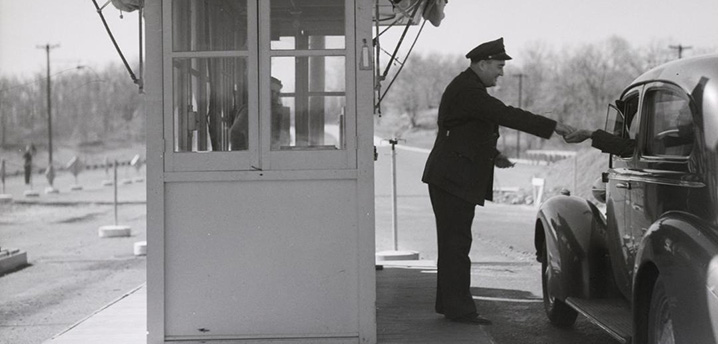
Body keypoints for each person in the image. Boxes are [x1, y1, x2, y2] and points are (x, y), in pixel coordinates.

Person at [421, 37, 575, 325]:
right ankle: (459, 310)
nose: (502, 73)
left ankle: (451, 305)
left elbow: (468, 130)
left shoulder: (468, 87)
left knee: (453, 244)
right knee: (456, 244)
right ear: (482, 64)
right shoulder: (469, 91)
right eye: (499, 66)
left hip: (451, 176)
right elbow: (503, 114)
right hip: (453, 178)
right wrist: (553, 126)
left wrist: (493, 155)